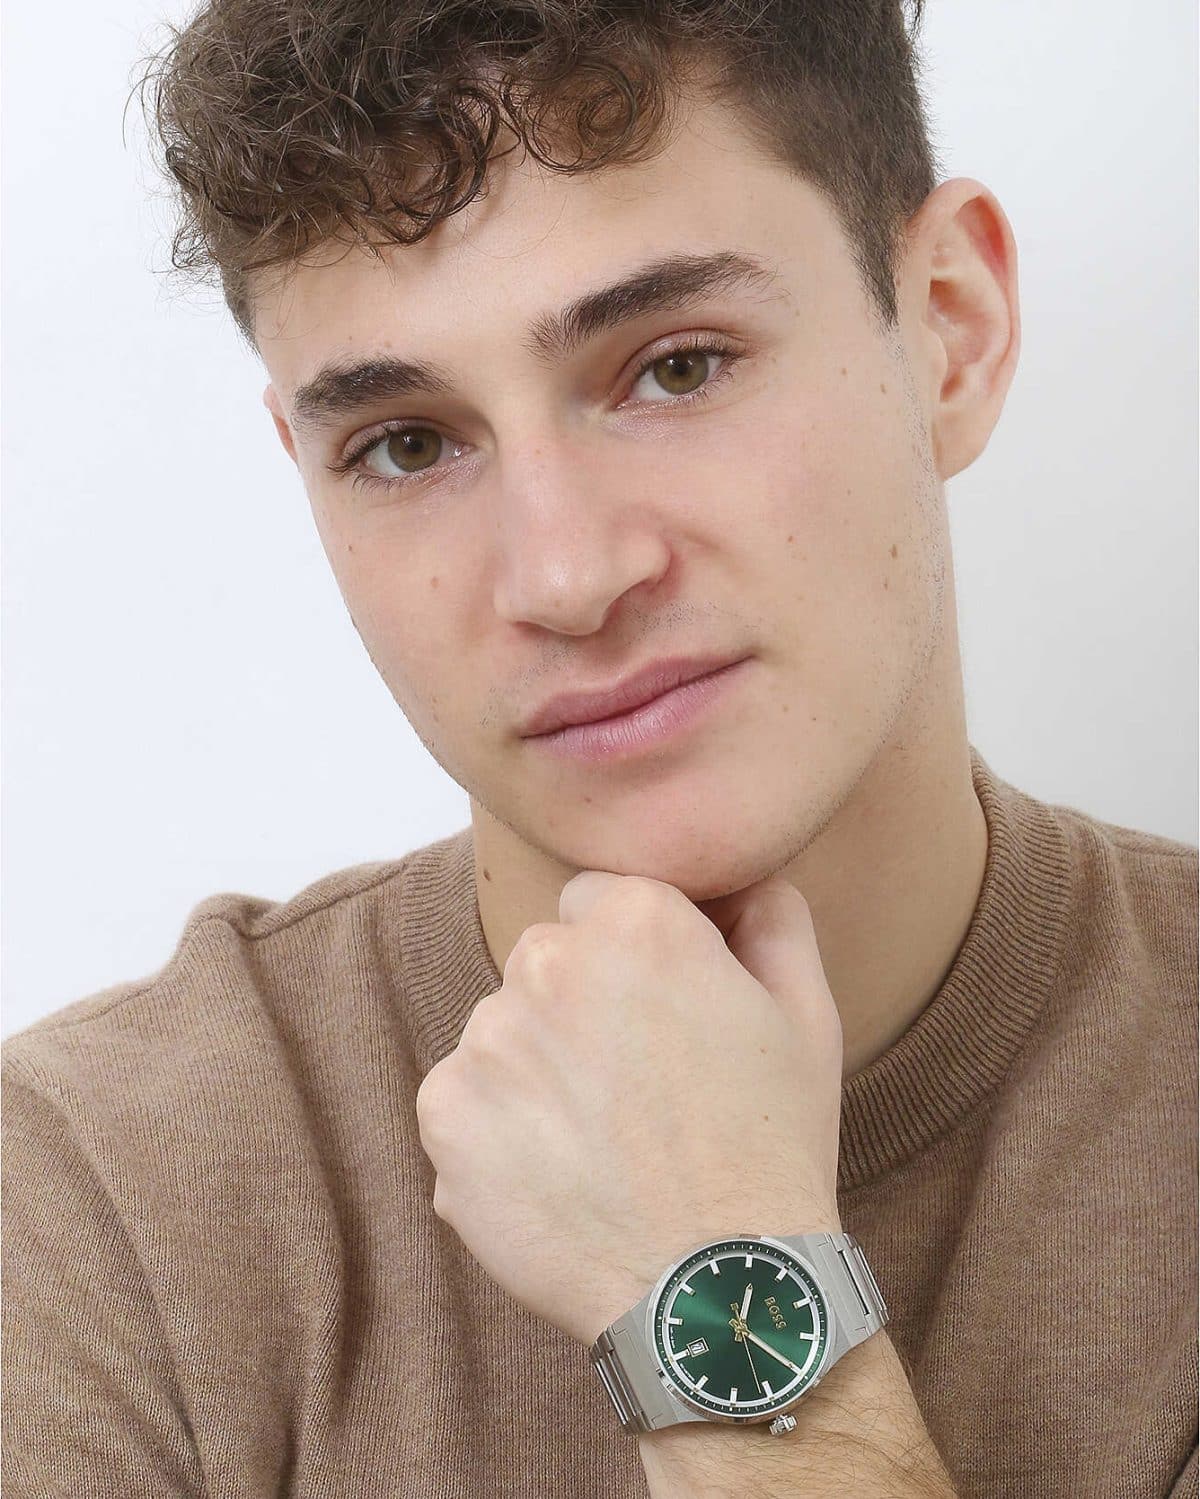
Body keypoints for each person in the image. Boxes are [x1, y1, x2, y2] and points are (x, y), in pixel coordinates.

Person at [3, 1, 1196, 1495]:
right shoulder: (93, 1199)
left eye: (677, 367)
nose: (564, 577)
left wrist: (711, 1270)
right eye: (408, 445)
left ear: (952, 330)